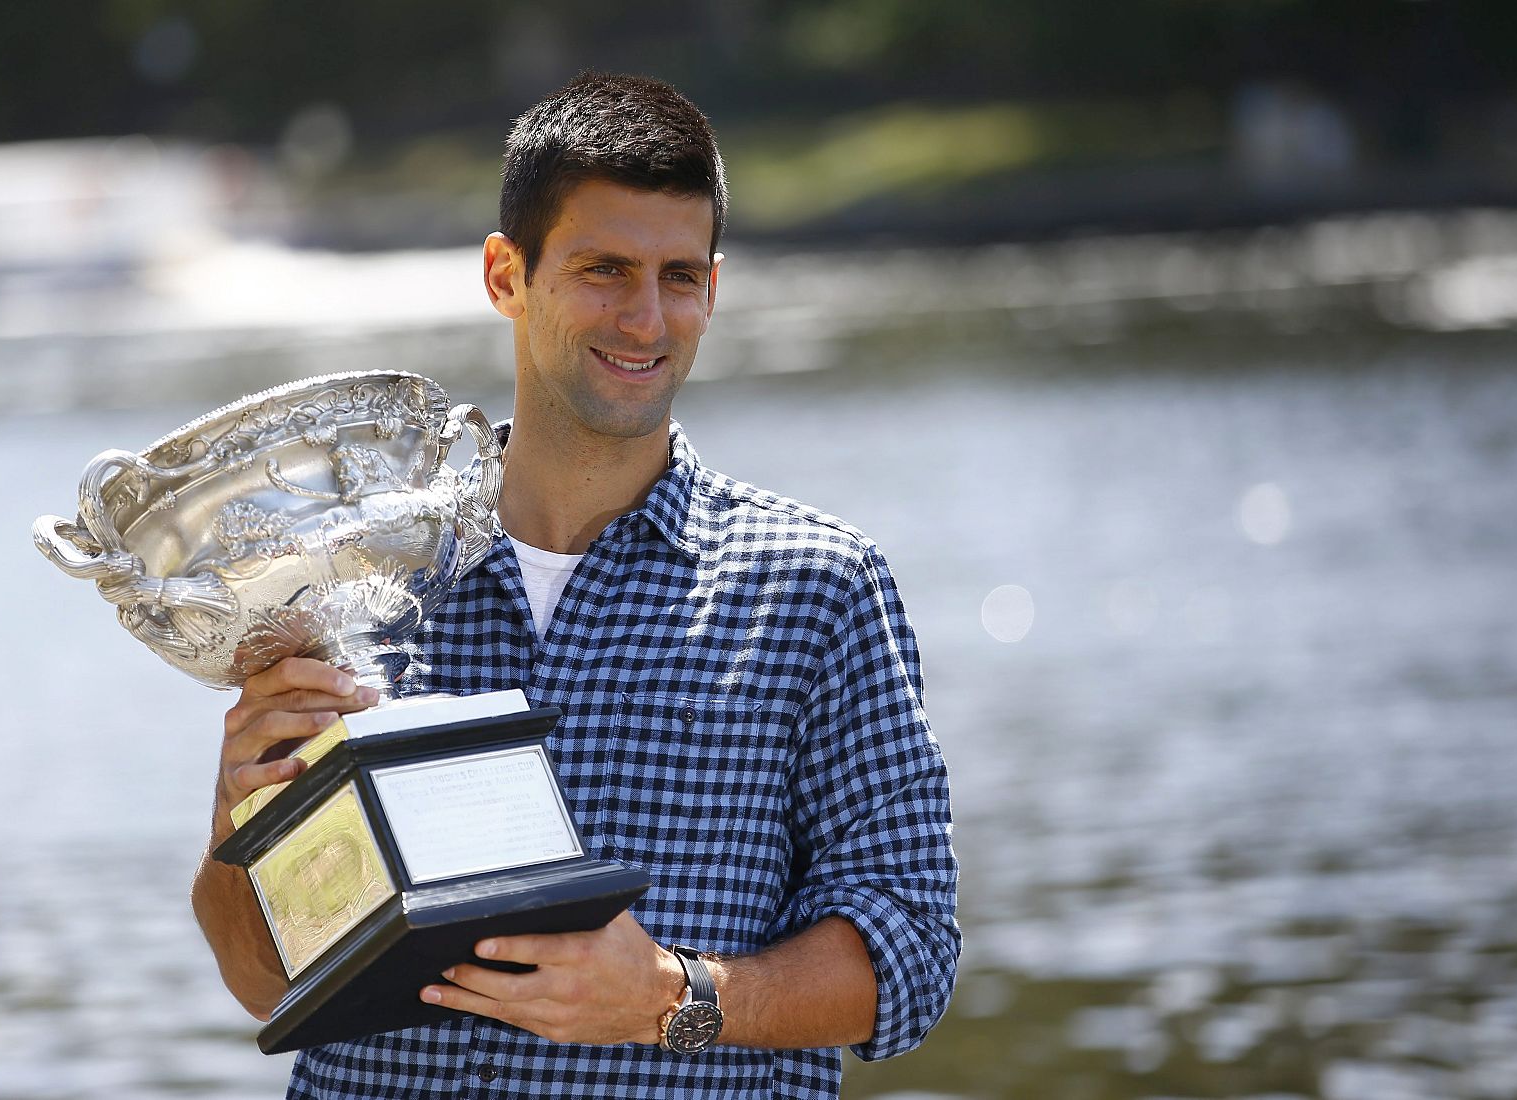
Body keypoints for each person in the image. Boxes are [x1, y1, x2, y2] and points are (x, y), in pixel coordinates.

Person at [192, 70, 959, 1099]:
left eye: (679, 276)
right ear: (505, 275)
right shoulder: (352, 580)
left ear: (712, 289)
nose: (646, 318)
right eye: (604, 269)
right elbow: (262, 980)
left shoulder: (815, 589)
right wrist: (238, 825)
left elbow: (909, 951)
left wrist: (671, 995)